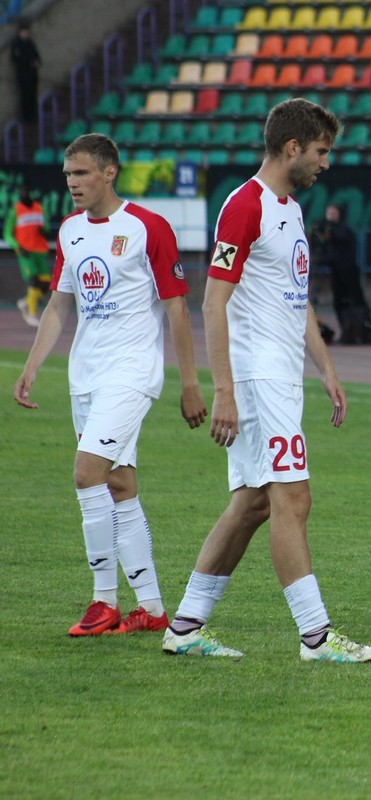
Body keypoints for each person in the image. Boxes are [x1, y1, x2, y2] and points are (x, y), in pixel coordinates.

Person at [163, 99, 371, 663]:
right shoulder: (245, 206)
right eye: (321, 151)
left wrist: (326, 369)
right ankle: (316, 637)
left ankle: (185, 627)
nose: (325, 163)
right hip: (257, 378)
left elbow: (295, 297)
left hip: (280, 375)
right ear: (292, 148)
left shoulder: (290, 210)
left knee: (252, 504)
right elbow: (213, 302)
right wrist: (224, 391)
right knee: (292, 497)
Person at [12, 133, 207, 636]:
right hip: (86, 377)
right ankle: (152, 608)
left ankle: (103, 601)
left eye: (81, 173)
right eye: (68, 175)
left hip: (131, 372)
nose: (72, 183)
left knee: (87, 474)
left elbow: (177, 306)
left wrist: (189, 382)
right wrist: (32, 367)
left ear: (109, 172)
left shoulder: (147, 227)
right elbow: (60, 304)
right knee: (119, 484)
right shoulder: (71, 230)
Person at [309, 204, 371, 345]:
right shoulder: (327, 231)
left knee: (355, 301)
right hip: (336, 271)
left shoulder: (343, 229)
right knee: (339, 302)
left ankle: (363, 332)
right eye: (329, 212)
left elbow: (340, 238)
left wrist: (328, 230)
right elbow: (324, 251)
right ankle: (347, 331)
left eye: (334, 212)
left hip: (349, 270)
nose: (331, 215)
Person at [4, 183, 52, 326]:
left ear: (30, 192)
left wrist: (43, 230)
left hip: (40, 250)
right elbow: (7, 234)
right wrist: (17, 246)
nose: (23, 194)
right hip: (25, 252)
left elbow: (46, 227)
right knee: (33, 280)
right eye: (21, 192)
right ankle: (32, 313)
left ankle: (25, 301)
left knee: (45, 284)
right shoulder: (15, 210)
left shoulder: (39, 208)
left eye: (25, 191)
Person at [11, 23, 41, 123]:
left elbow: (36, 54)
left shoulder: (30, 42)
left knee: (32, 94)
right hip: (23, 75)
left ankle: (33, 114)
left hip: (32, 74)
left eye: (27, 32)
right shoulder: (17, 44)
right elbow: (16, 59)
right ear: (20, 32)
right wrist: (30, 63)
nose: (26, 34)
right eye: (24, 32)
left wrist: (37, 62)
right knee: (25, 95)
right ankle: (26, 117)